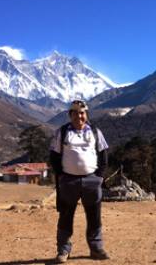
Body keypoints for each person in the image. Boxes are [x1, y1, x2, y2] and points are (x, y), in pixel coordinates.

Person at [49, 100, 110, 263]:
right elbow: (54, 157)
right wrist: (61, 177)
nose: (79, 116)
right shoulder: (61, 132)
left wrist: (99, 177)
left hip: (92, 181)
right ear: (70, 115)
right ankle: (63, 250)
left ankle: (96, 249)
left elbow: (103, 156)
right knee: (66, 216)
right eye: (75, 113)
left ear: (86, 114)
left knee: (94, 216)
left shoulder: (96, 132)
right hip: (68, 181)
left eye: (82, 113)